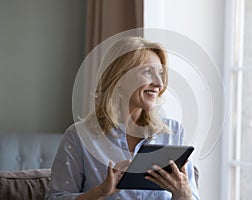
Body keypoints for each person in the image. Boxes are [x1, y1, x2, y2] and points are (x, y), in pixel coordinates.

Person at [46, 37, 200, 200]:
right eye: (147, 72)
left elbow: (193, 196)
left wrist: (182, 192)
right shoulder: (79, 136)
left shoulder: (173, 132)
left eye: (160, 73)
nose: (159, 83)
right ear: (118, 79)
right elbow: (55, 198)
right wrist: (100, 192)